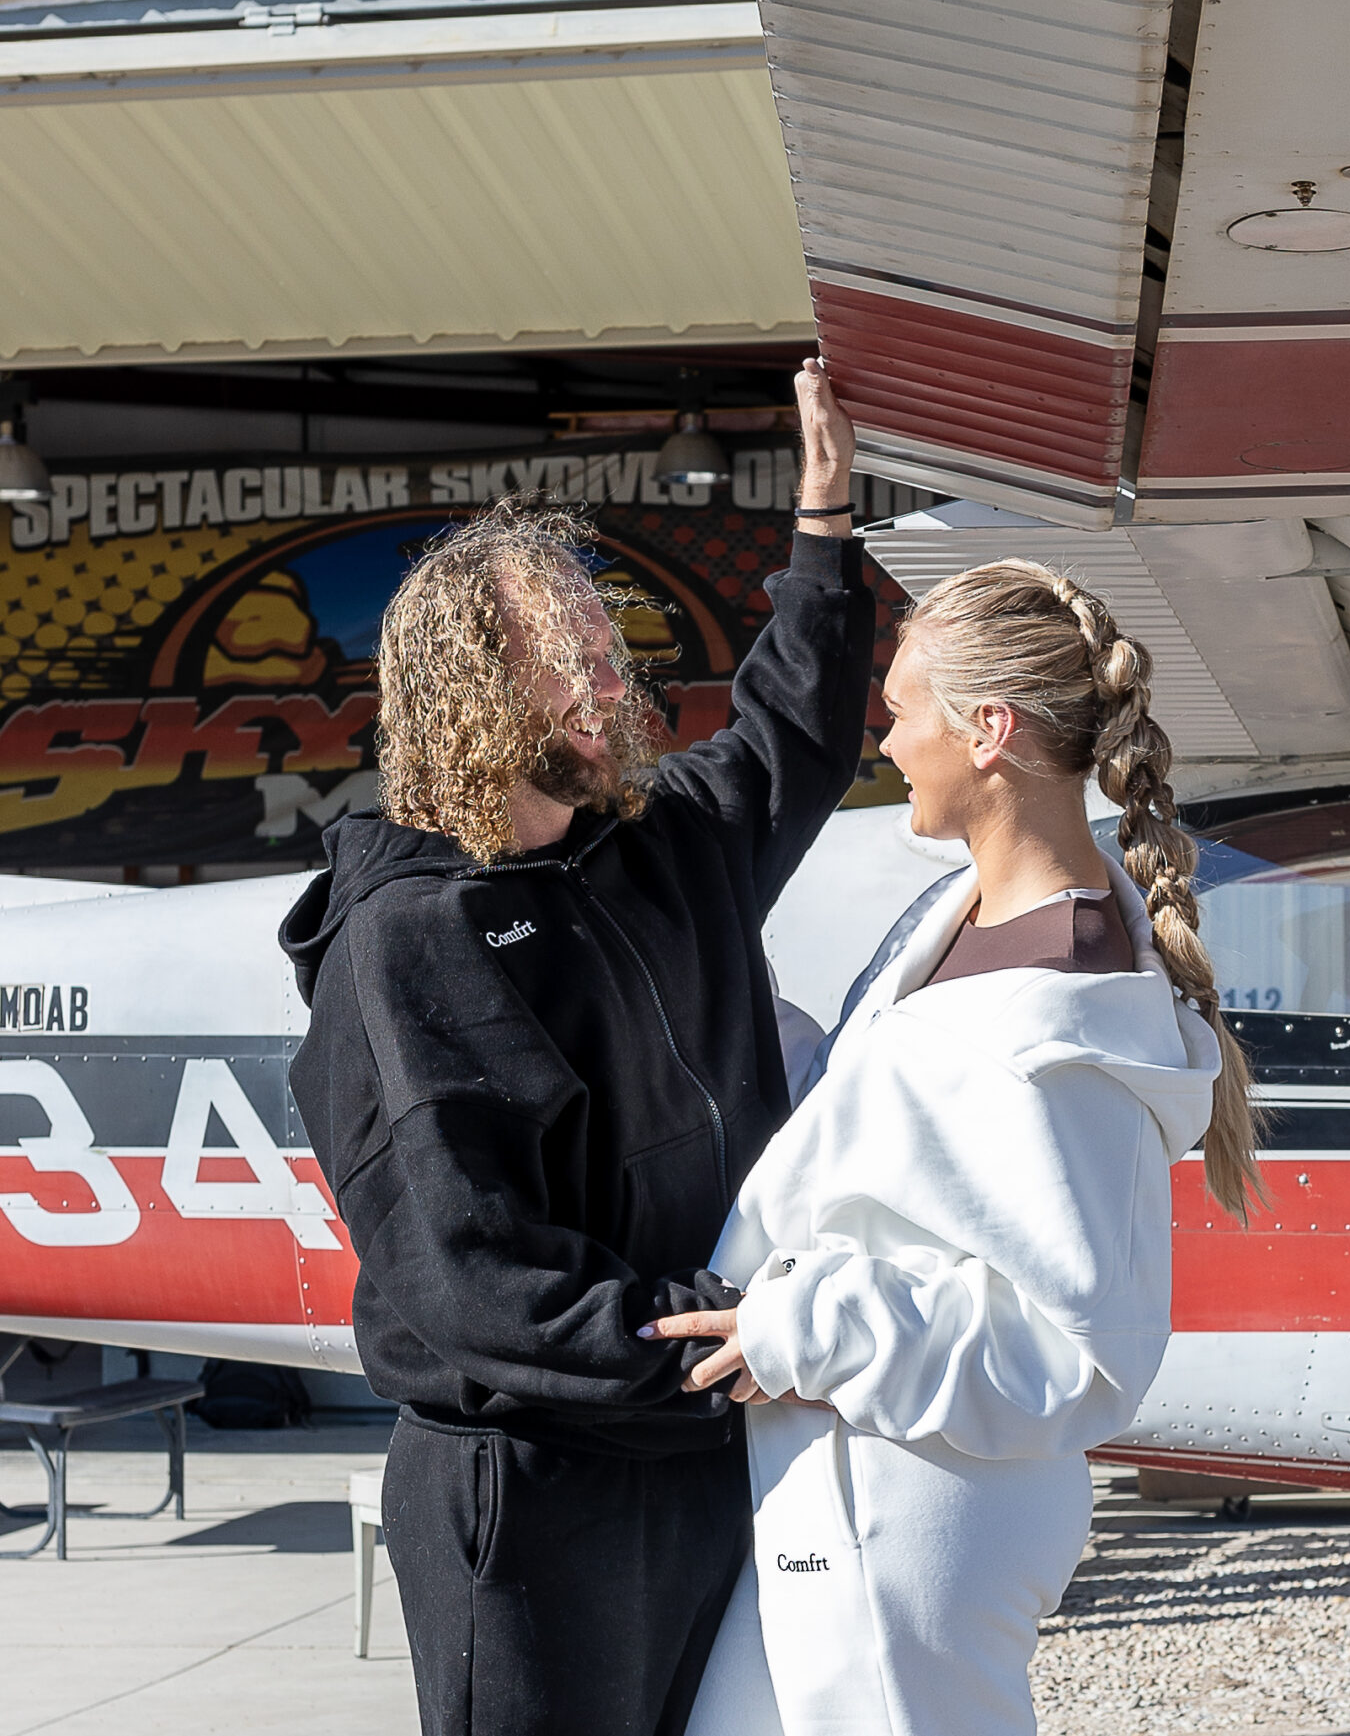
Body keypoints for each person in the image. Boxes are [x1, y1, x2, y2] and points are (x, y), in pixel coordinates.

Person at [279, 361, 871, 1736]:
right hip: (540, 1491)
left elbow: (791, 738)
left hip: (688, 1439)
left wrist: (827, 531)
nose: (616, 664)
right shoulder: (409, 936)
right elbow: (473, 1277)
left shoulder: (659, 846)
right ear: (480, 687)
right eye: (576, 648)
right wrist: (701, 1345)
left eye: (605, 634)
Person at [649, 561, 1261, 1736]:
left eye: (900, 707)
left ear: (989, 730)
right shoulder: (962, 923)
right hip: (853, 1479)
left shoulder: (1058, 1000)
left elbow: (1081, 1351)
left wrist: (801, 1325)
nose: (885, 738)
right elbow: (878, 1142)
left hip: (913, 1512)